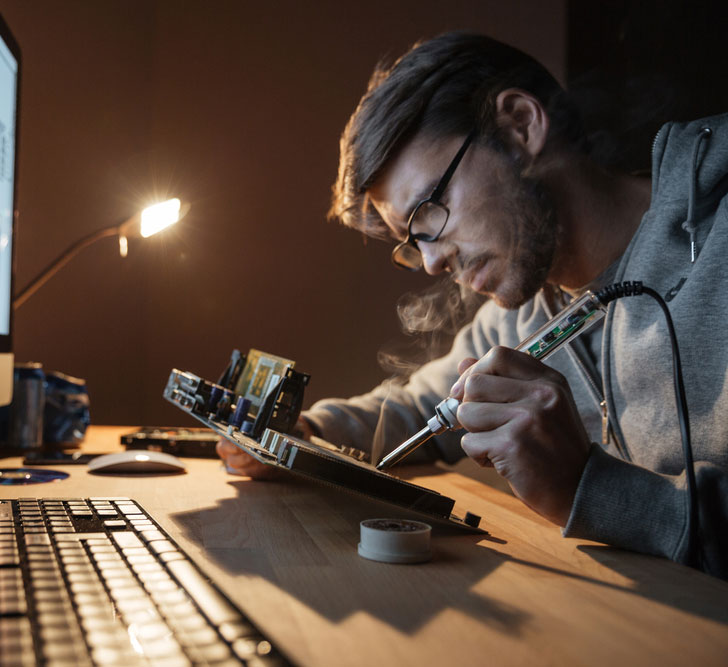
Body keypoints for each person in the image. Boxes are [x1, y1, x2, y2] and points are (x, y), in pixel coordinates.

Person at [216, 32, 727, 577]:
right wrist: (305, 437)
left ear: (520, 126)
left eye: (429, 213)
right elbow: (417, 410)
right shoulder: (523, 313)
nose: (433, 264)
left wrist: (588, 487)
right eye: (412, 246)